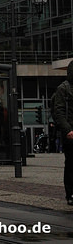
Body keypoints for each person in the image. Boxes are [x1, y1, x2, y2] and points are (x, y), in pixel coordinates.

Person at [52, 60, 73, 205]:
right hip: (70, 132)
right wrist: (68, 130)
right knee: (71, 163)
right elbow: (58, 112)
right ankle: (70, 194)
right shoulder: (64, 89)